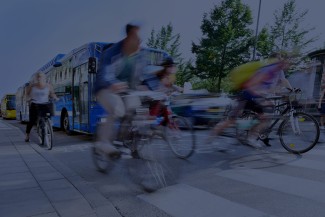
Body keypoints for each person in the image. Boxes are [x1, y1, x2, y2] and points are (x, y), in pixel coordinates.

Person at [207, 53, 290, 148]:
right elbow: (251, 86)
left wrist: (283, 92)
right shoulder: (266, 70)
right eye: (279, 61)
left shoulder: (273, 73)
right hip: (247, 96)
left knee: (265, 117)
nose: (282, 65)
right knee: (232, 120)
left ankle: (251, 136)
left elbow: (272, 87)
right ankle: (214, 133)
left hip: (254, 97)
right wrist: (262, 98)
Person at [94, 23, 148, 157]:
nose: (140, 43)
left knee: (140, 111)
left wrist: (147, 86)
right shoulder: (111, 52)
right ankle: (103, 143)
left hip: (127, 91)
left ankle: (129, 142)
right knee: (116, 108)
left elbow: (144, 76)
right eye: (137, 39)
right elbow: (104, 73)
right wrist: (112, 83)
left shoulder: (139, 57)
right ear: (128, 38)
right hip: (105, 88)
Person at [25, 72, 59, 142]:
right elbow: (27, 94)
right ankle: (27, 134)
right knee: (32, 121)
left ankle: (47, 126)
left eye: (41, 77)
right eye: (38, 77)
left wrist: (55, 98)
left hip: (45, 104)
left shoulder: (48, 86)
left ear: (44, 78)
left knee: (47, 117)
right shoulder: (31, 86)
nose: (39, 78)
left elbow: (52, 93)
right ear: (36, 78)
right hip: (35, 105)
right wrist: (28, 98)